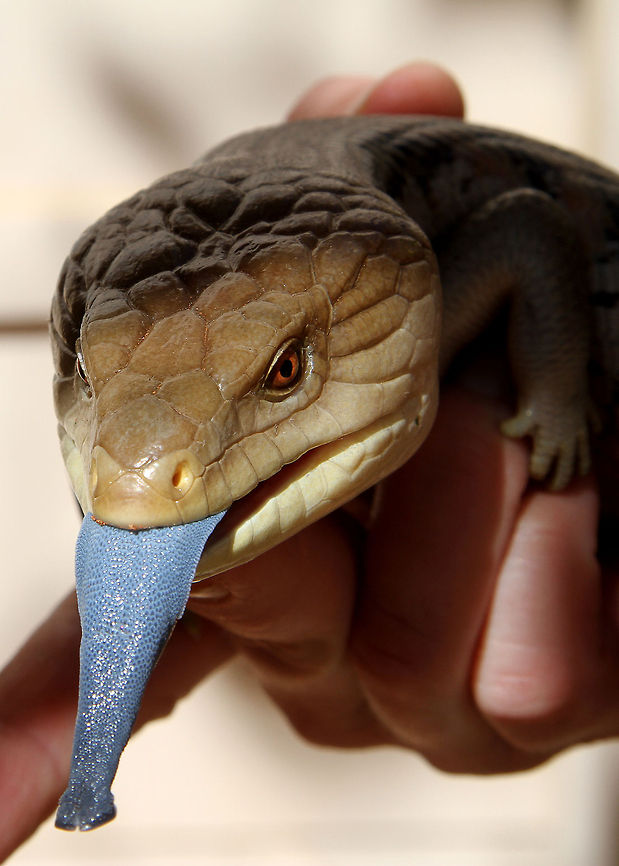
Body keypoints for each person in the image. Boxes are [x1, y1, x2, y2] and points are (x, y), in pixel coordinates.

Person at [0, 62, 616, 859]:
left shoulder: (376, 256)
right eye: (91, 379)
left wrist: (557, 393)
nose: (141, 478)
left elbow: (523, 231)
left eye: (284, 374)